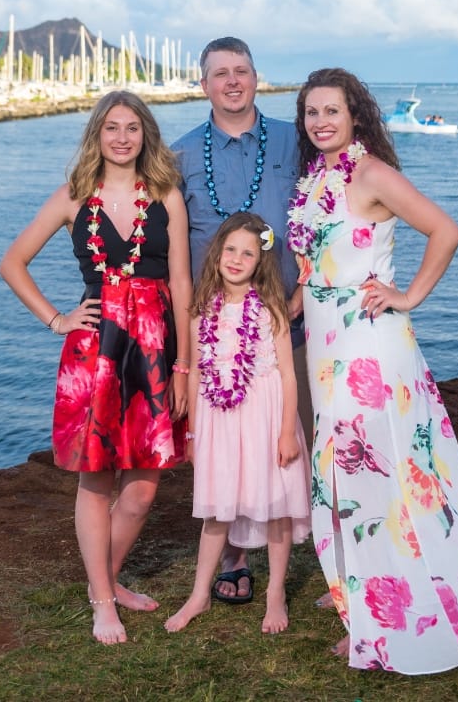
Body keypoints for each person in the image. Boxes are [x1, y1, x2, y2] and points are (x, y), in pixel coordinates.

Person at [289, 68, 458, 675]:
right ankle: (360, 593)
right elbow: (319, 261)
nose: (321, 122)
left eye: (332, 111)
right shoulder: (316, 177)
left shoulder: (371, 173)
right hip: (325, 344)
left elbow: (445, 230)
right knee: (343, 473)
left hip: (369, 346)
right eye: (311, 112)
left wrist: (408, 295)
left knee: (372, 475)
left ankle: (389, 619)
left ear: (355, 116)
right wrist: (292, 301)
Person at [0, 90, 191, 646]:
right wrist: (57, 319)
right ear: (97, 135)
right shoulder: (72, 197)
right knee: (97, 478)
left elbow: (181, 283)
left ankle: (102, 578)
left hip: (155, 349)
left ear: (145, 134)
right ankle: (104, 600)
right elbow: (12, 263)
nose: (122, 137)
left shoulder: (166, 195)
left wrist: (185, 364)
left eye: (132, 127)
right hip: (96, 353)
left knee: (144, 487)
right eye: (112, 127)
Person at [171, 36, 312, 604]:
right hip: (216, 333)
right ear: (203, 84)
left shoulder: (294, 139)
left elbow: (326, 213)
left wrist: (305, 288)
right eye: (220, 73)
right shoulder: (180, 156)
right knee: (228, 446)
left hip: (288, 321)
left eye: (242, 70)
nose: (232, 81)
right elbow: (172, 251)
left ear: (256, 77)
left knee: (295, 438)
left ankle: (331, 552)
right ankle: (234, 556)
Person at [163, 212, 310, 635]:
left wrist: (287, 432)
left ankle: (276, 593)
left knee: (277, 507)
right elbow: (196, 374)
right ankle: (199, 594)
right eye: (230, 249)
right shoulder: (201, 310)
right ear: (217, 253)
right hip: (220, 420)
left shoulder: (270, 309)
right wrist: (193, 432)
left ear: (260, 261)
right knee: (218, 507)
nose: (236, 259)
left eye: (247, 253)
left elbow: (287, 375)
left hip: (265, 418)